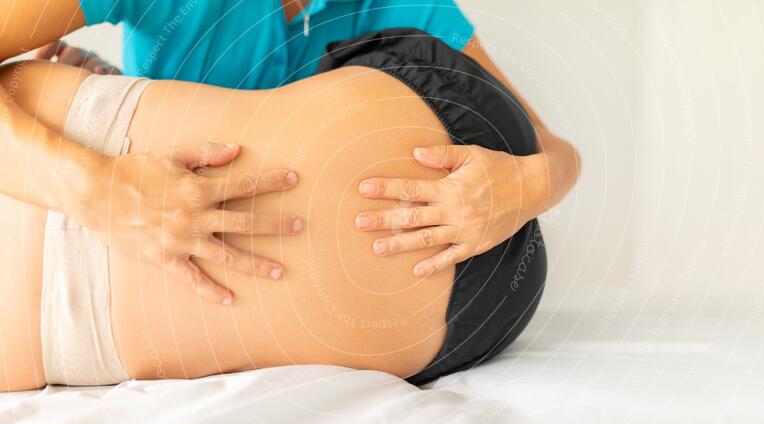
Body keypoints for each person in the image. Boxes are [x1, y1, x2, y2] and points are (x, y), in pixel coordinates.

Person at [3, 0, 579, 302]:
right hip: (145, 265)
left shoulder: (408, 5)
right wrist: (95, 187)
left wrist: (522, 187)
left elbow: (555, 152)